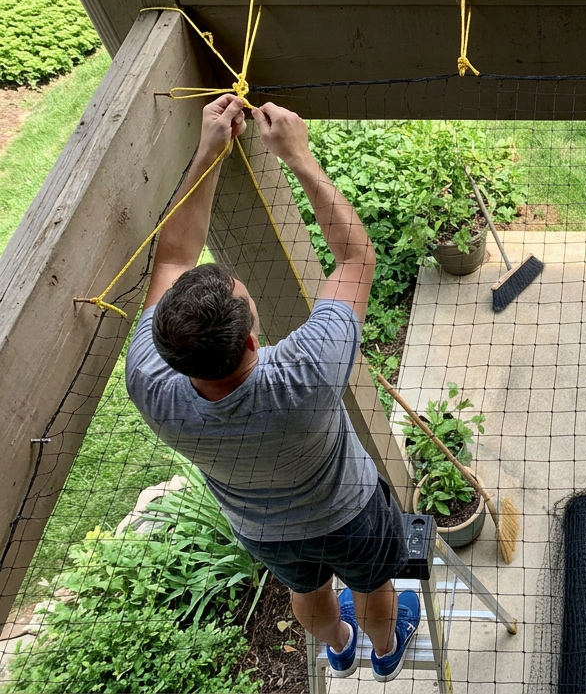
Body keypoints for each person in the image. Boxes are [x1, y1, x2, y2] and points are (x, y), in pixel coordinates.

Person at [125, 94, 419, 682]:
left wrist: (207, 151)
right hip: (351, 512)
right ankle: (385, 649)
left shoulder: (150, 382)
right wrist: (301, 159)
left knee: (307, 591)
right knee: (374, 583)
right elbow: (356, 258)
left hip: (263, 531)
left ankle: (338, 647)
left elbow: (174, 254)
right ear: (253, 340)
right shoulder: (307, 369)